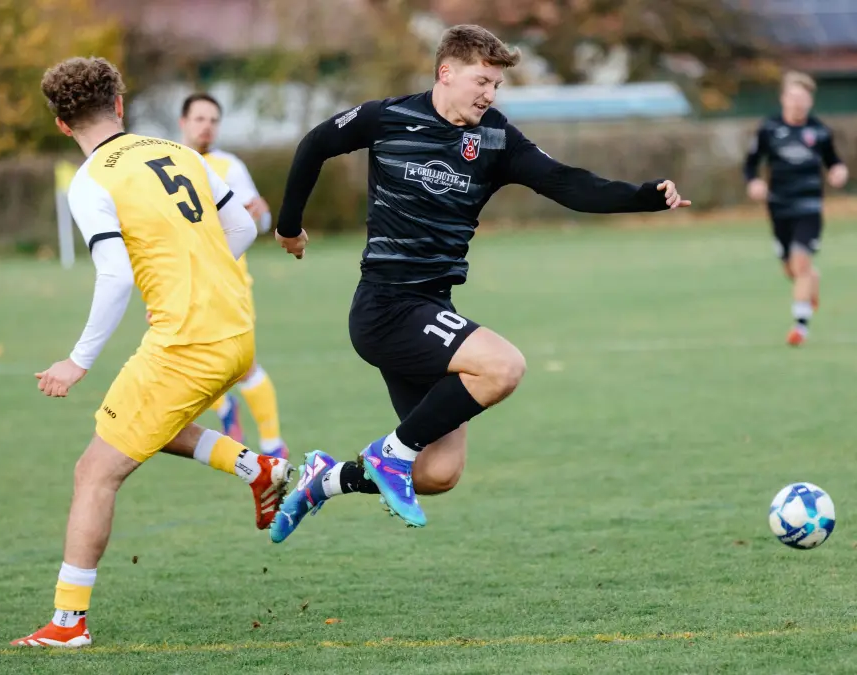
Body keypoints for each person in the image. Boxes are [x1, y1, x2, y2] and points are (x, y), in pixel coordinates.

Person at [269, 24, 689, 543]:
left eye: (496, 85)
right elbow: (315, 144)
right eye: (482, 81)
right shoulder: (387, 116)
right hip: (386, 306)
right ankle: (389, 454)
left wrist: (644, 196)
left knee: (441, 473)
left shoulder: (495, 138)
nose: (489, 94)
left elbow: (566, 184)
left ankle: (326, 480)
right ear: (446, 72)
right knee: (503, 366)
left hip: (429, 308)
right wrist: (289, 225)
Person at [12, 57, 290, 648]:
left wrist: (78, 360)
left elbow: (114, 277)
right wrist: (200, 280)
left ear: (62, 125)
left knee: (94, 472)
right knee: (147, 422)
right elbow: (240, 226)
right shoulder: (178, 151)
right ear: (119, 105)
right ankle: (256, 466)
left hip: (188, 342)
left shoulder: (91, 181)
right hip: (235, 331)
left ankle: (68, 623)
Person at [179, 92, 288, 461]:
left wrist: (261, 214)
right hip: (182, 282)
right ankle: (224, 409)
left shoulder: (230, 166)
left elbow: (260, 221)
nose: (206, 125)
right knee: (191, 362)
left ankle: (273, 443)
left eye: (213, 119)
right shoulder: (171, 163)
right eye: (199, 118)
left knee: (243, 364)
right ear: (184, 123)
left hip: (228, 283)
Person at [743, 70, 848, 347]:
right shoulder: (769, 129)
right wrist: (753, 182)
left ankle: (800, 327)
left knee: (800, 262)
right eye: (793, 97)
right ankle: (812, 281)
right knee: (792, 270)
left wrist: (838, 171)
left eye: (804, 98)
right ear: (784, 99)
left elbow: (834, 161)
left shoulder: (819, 131)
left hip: (809, 206)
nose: (798, 103)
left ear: (810, 102)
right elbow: (751, 162)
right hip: (778, 207)